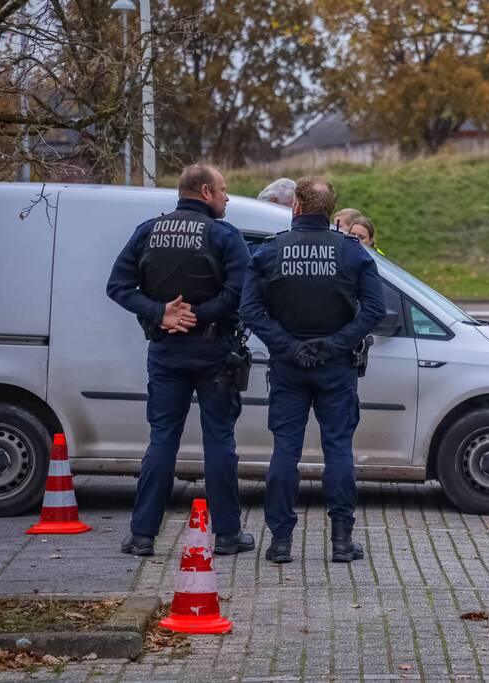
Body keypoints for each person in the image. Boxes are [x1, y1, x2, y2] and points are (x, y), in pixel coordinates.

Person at [107, 163, 255, 556]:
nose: (226, 197)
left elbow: (117, 286)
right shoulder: (224, 235)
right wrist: (201, 316)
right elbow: (241, 293)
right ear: (205, 191)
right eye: (223, 190)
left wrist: (162, 313)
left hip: (166, 351)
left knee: (162, 441)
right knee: (219, 440)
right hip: (214, 351)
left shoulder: (148, 231)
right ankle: (226, 536)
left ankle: (142, 536)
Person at [239, 177, 384, 564]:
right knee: (338, 451)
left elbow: (250, 310)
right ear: (331, 211)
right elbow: (374, 311)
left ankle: (280, 542)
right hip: (336, 366)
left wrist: (288, 346)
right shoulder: (353, 254)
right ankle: (341, 541)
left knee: (285, 451)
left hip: (288, 367)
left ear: (296, 207)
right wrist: (333, 345)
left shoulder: (270, 252)